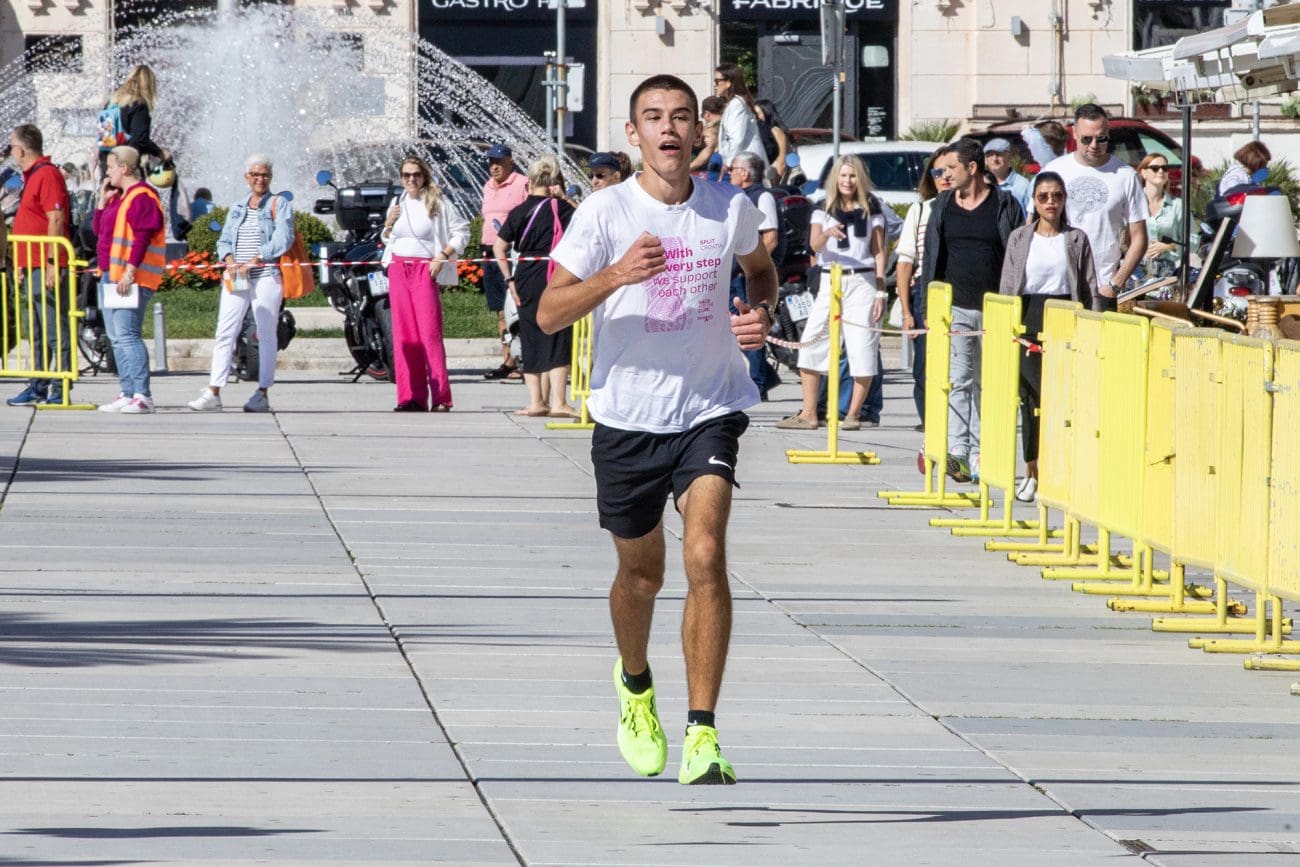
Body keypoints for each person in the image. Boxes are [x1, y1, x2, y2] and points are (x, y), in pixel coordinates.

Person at [538, 73, 776, 786]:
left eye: (680, 117)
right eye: (653, 117)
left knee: (705, 552)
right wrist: (614, 276)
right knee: (643, 575)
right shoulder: (605, 211)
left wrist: (758, 313)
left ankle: (703, 732)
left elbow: (760, 272)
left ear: (700, 132)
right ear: (633, 133)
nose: (668, 128)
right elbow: (548, 313)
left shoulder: (728, 206)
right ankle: (635, 684)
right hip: (627, 418)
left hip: (709, 407)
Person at [918, 139, 1025, 483]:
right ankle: (958, 452)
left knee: (986, 384)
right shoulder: (943, 206)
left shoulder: (1005, 205)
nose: (945, 175)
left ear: (972, 168)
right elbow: (931, 257)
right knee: (958, 381)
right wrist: (927, 305)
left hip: (996, 311)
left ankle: (980, 453)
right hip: (956, 310)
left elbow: (1018, 256)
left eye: (951, 168)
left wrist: (1016, 305)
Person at [999, 171, 1097, 503]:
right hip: (1028, 317)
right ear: (1034, 201)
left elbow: (1088, 285)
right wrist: (1005, 322)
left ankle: (1060, 469)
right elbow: (1008, 283)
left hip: (1064, 315)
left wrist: (1092, 324)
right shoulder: (1020, 237)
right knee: (1032, 398)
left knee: (1063, 398)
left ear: (1064, 200)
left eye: (1057, 196)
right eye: (1043, 196)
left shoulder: (1076, 238)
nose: (1050, 202)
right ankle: (1032, 470)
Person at [776, 154, 887, 432]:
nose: (847, 181)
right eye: (843, 175)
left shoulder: (871, 207)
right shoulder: (822, 207)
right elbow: (814, 245)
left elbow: (878, 251)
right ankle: (809, 413)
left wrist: (881, 290)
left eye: (852, 175)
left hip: (862, 281)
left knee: (862, 346)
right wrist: (827, 233)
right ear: (835, 178)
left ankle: (854, 413)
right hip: (830, 279)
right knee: (811, 343)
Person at [187, 154, 295, 413]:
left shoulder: (279, 204)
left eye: (265, 175)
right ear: (247, 177)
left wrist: (256, 259)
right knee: (225, 331)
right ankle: (214, 391)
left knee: (265, 333)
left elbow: (283, 238)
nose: (260, 179)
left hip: (265, 274)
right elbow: (224, 240)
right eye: (255, 175)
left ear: (271, 177)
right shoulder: (237, 206)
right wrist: (230, 260)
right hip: (238, 275)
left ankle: (262, 392)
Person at [380, 155, 468, 412]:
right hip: (398, 269)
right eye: (406, 175)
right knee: (404, 336)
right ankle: (411, 397)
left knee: (429, 334)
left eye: (416, 174)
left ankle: (441, 397)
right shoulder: (397, 202)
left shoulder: (437, 202)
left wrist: (442, 256)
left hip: (424, 270)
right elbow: (389, 238)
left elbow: (462, 231)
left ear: (424, 176)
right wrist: (387, 225)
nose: (411, 179)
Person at [495, 155, 577, 418]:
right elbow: (587, 223)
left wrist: (509, 280)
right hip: (555, 273)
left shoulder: (519, 211)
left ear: (529, 182)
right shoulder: (562, 208)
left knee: (530, 334)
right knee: (558, 333)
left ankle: (536, 402)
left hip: (526, 276)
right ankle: (559, 402)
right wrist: (565, 198)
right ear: (553, 180)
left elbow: (499, 247)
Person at [1043, 104, 1147, 311]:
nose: (1094, 145)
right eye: (1086, 139)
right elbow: (1034, 227)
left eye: (1101, 139)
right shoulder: (1054, 171)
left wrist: (1115, 284)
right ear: (1074, 133)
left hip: (1101, 287)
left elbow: (1139, 238)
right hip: (1058, 285)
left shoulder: (1125, 176)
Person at [93, 146, 165, 414]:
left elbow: (142, 237)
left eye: (111, 167)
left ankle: (143, 395)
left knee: (128, 335)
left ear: (124, 168)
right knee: (116, 337)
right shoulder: (119, 197)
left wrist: (129, 271)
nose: (107, 172)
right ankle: (127, 391)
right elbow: (98, 231)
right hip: (110, 275)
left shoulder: (142, 196)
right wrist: (101, 202)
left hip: (129, 278)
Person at [5, 123, 73, 407]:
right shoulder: (31, 176)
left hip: (45, 265)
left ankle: (61, 385)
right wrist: (21, 263)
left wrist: (52, 263)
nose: (9, 152)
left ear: (21, 150)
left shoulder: (47, 175)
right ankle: (38, 384)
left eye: (10, 147)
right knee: (37, 330)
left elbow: (55, 219)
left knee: (54, 326)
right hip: (32, 263)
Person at [895, 151, 953, 429]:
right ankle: (930, 421)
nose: (944, 177)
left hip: (959, 292)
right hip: (925, 294)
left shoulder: (969, 208)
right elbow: (905, 263)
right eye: (937, 172)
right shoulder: (920, 210)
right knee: (924, 366)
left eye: (949, 170)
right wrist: (906, 311)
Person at [727, 151, 781, 400]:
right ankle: (766, 376)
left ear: (745, 173)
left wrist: (749, 267)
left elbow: (770, 238)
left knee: (751, 325)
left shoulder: (762, 196)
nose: (729, 174)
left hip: (748, 277)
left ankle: (759, 382)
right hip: (734, 275)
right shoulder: (738, 197)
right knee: (735, 329)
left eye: (732, 169)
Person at [479, 142, 529, 381]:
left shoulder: (522, 183)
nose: (494, 166)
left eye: (499, 161)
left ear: (511, 161)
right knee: (500, 310)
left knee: (517, 308)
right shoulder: (487, 186)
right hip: (490, 253)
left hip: (512, 253)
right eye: (491, 162)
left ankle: (524, 358)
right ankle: (509, 360)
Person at [97, 64, 166, 178]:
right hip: (126, 170)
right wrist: (159, 152)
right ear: (149, 86)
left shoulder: (111, 104)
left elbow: (104, 140)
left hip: (108, 166)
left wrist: (106, 169)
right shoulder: (139, 105)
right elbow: (139, 139)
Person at [713, 64, 766, 176]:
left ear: (728, 83)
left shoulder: (737, 104)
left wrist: (728, 163)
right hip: (742, 162)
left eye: (717, 81)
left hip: (747, 165)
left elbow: (737, 139)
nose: (715, 86)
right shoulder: (734, 103)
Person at [1137, 153, 1186, 278]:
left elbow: (1193, 241)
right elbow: (1120, 238)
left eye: (1165, 168)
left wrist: (1169, 246)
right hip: (1136, 270)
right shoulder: (1133, 203)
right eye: (1155, 168)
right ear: (1143, 173)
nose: (1161, 171)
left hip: (1167, 272)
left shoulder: (1177, 205)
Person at [983, 138, 1032, 214]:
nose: (994, 159)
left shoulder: (1022, 185)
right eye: (990, 155)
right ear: (985, 160)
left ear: (1009, 157)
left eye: (999, 154)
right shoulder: (981, 184)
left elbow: (1031, 216)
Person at [754, 98, 791, 181]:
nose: (756, 117)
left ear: (767, 113)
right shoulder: (763, 132)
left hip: (778, 177)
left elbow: (782, 160)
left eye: (758, 114)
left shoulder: (776, 131)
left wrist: (775, 183)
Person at [690, 96, 726, 178]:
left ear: (707, 114)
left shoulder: (714, 127)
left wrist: (687, 169)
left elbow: (709, 149)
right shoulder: (729, 122)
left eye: (703, 116)